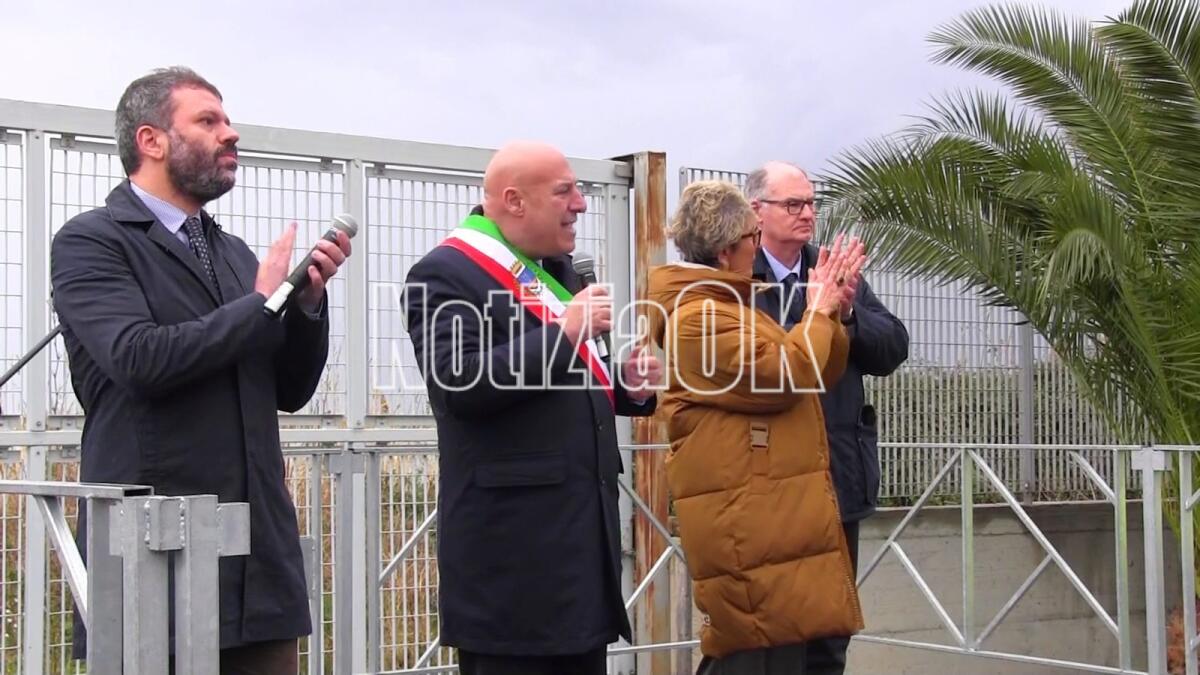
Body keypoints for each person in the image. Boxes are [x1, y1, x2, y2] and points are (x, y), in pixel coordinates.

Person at [50, 67, 352, 674]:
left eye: (227, 120)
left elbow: (288, 391)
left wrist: (306, 306)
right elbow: (139, 358)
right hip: (155, 555)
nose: (231, 133)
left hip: (255, 560)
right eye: (208, 121)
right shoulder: (92, 242)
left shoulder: (233, 254)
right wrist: (262, 305)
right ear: (151, 140)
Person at [402, 141, 663, 675]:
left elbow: (562, 380)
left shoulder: (558, 270)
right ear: (515, 201)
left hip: (579, 566)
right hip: (511, 573)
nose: (582, 204)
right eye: (565, 191)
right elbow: (459, 383)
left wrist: (627, 387)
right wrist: (566, 330)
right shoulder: (444, 274)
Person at [648, 179, 864, 674]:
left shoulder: (728, 306)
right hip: (746, 526)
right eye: (751, 236)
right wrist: (818, 310)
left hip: (768, 519)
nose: (758, 243)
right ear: (727, 251)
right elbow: (786, 376)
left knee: (780, 653)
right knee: (751, 655)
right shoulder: (697, 317)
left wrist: (836, 312)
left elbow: (812, 372)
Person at [745, 161, 909, 674]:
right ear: (757, 212)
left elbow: (893, 346)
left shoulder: (834, 272)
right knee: (767, 638)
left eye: (811, 204)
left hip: (836, 477)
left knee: (829, 636)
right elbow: (763, 365)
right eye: (793, 204)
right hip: (766, 485)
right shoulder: (736, 277)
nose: (807, 215)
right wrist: (815, 315)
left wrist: (848, 313)